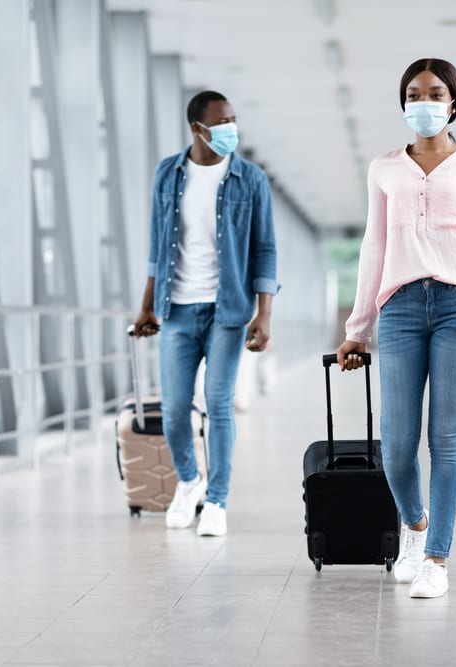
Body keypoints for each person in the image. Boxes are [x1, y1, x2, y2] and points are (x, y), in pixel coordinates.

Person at [336, 58, 456, 598]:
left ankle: (437, 559)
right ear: (403, 101)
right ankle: (414, 527)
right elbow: (375, 247)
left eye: (435, 93)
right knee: (398, 442)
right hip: (401, 309)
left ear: (453, 102)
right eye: (414, 93)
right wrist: (356, 326)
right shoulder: (384, 168)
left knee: (447, 436)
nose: (424, 102)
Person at [134, 90, 280, 538]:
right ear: (198, 129)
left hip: (228, 311)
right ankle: (189, 482)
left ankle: (216, 501)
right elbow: (158, 247)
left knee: (218, 404)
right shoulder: (168, 173)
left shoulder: (249, 179)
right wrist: (146, 306)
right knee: (176, 409)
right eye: (223, 122)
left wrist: (264, 315)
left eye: (234, 119)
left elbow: (265, 249)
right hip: (176, 310)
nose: (232, 128)